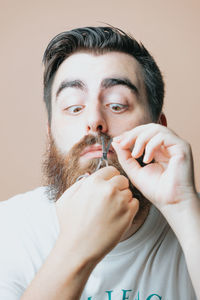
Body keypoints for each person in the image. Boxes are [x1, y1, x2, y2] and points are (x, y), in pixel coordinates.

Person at [0, 26, 199, 300]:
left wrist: (184, 208)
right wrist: (76, 248)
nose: (94, 120)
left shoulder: (193, 219)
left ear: (157, 127)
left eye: (117, 105)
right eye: (74, 107)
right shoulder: (7, 230)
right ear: (50, 133)